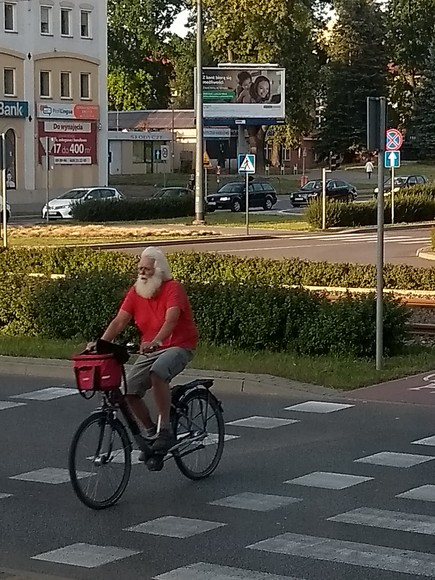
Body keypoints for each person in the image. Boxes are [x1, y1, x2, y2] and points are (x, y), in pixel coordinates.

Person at [93, 247, 198, 461]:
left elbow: (171, 320)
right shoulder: (137, 291)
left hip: (178, 345)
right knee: (129, 389)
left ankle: (166, 430)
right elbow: (119, 321)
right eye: (140, 268)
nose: (142, 273)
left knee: (158, 371)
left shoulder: (173, 288)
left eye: (147, 269)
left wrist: (157, 341)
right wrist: (101, 344)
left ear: (158, 270)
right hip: (151, 349)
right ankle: (151, 433)